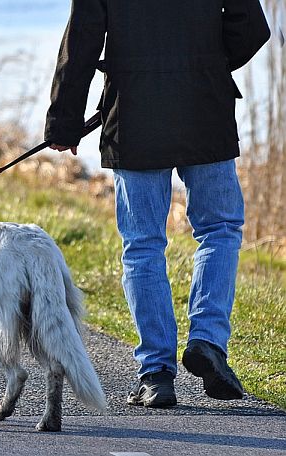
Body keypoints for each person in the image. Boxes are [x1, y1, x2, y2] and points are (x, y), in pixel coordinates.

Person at [44, 0, 271, 407]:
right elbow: (252, 28)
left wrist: (63, 120)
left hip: (134, 116)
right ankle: (208, 341)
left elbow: (80, 41)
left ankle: (156, 373)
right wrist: (207, 64)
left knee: (143, 244)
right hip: (206, 107)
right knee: (220, 230)